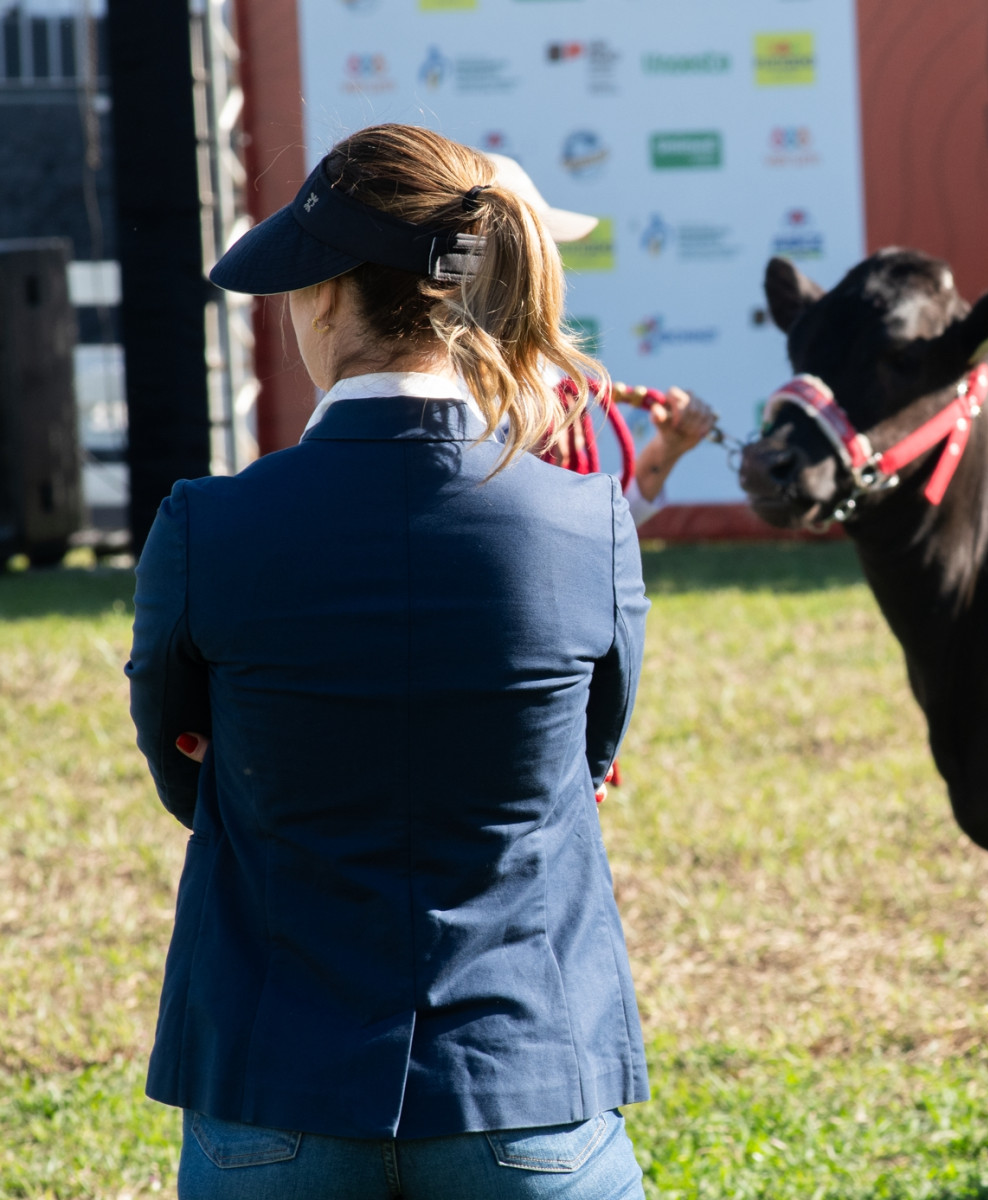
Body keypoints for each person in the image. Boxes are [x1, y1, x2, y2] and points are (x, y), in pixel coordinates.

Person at [125, 123, 650, 1198]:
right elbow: (587, 765)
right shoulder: (587, 522)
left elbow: (189, 782)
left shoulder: (207, 528)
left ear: (322, 296)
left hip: (277, 1087)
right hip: (526, 1086)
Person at [476, 152, 720, 522]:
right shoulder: (429, 384)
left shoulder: (545, 374)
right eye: (531, 249)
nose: (545, 266)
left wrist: (665, 452)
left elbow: (588, 529)